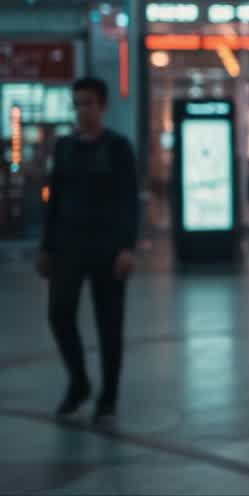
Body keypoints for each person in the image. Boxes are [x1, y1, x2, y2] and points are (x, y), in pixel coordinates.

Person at [36, 76, 139, 425]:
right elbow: (55, 200)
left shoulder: (118, 147)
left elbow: (129, 201)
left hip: (108, 248)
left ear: (103, 106)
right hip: (68, 246)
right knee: (59, 313)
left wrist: (127, 247)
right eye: (78, 103)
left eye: (89, 103)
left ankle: (108, 395)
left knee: (109, 325)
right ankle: (79, 381)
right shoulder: (65, 147)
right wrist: (46, 247)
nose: (83, 111)